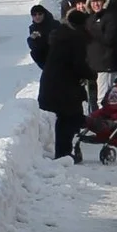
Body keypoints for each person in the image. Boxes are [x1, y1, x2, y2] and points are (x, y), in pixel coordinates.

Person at [38, 9, 89, 160]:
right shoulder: (75, 38)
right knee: (69, 118)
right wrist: (90, 74)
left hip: (53, 84)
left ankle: (64, 152)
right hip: (65, 87)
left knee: (66, 118)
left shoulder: (59, 35)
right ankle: (64, 154)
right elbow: (78, 63)